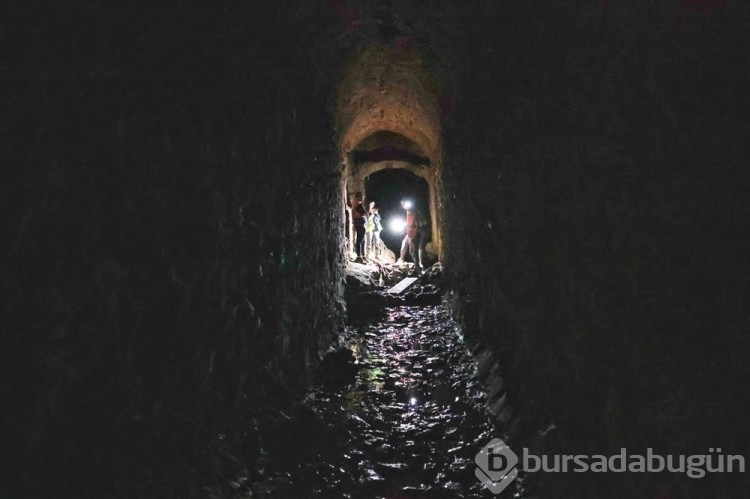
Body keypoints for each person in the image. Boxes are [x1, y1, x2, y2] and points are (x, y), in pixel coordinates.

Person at [397, 199, 428, 269]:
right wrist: (404, 229)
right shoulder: (408, 212)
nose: (403, 206)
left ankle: (419, 265)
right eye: (402, 204)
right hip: (411, 232)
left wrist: (414, 235)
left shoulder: (414, 212)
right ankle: (401, 259)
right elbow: (409, 223)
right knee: (404, 243)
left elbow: (418, 225)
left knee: (414, 250)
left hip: (416, 232)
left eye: (404, 204)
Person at [351, 192, 367, 261]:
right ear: (359, 197)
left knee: (361, 240)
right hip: (360, 224)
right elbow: (364, 214)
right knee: (360, 240)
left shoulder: (354, 204)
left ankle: (362, 255)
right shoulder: (358, 205)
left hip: (357, 224)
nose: (363, 198)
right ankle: (359, 256)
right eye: (362, 196)